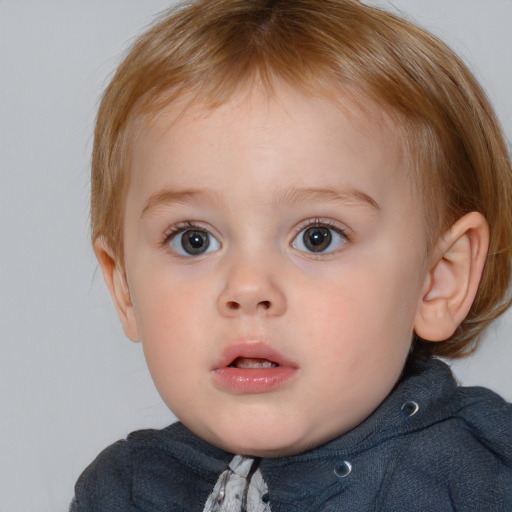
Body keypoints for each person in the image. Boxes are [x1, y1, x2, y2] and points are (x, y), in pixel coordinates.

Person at [71, 0, 512, 510]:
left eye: (318, 237)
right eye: (194, 239)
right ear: (124, 285)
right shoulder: (123, 492)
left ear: (438, 279)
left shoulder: (483, 480)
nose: (248, 287)